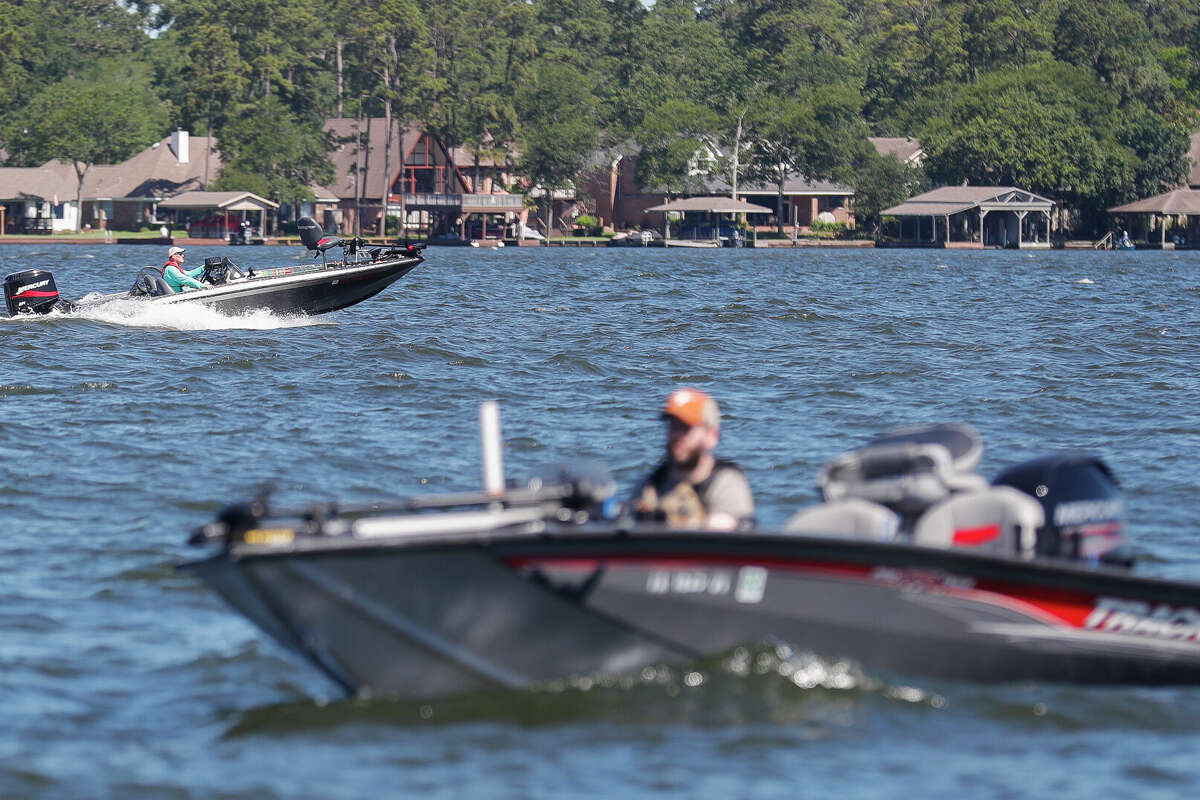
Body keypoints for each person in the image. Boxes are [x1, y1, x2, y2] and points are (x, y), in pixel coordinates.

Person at [631, 387, 755, 530]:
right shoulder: (652, 484)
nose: (677, 435)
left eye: (686, 428)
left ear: (712, 436)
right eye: (673, 426)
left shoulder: (727, 483)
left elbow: (722, 532)